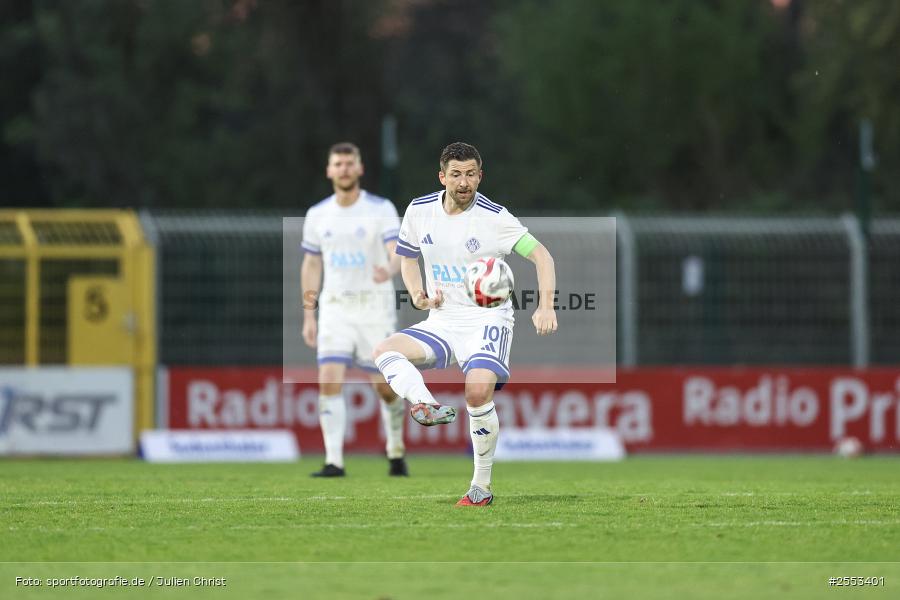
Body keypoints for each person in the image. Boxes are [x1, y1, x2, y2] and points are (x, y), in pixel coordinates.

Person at [373, 142, 558, 505]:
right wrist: (417, 293)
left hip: (488, 318)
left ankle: (481, 488)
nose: (464, 182)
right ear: (442, 177)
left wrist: (546, 306)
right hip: (442, 319)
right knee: (383, 351)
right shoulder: (419, 210)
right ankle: (425, 404)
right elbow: (407, 258)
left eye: (471, 174)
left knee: (476, 393)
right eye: (456, 174)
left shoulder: (495, 218)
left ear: (480, 176)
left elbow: (542, 256)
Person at [301, 142, 408, 477]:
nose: (344, 169)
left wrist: (389, 269)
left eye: (350, 163)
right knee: (328, 380)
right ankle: (334, 461)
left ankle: (395, 449)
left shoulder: (380, 208)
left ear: (360, 169)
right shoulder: (318, 215)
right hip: (335, 309)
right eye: (338, 164)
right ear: (329, 171)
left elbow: (397, 249)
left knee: (384, 386)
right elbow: (312, 264)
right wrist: (309, 313)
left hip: (374, 309)